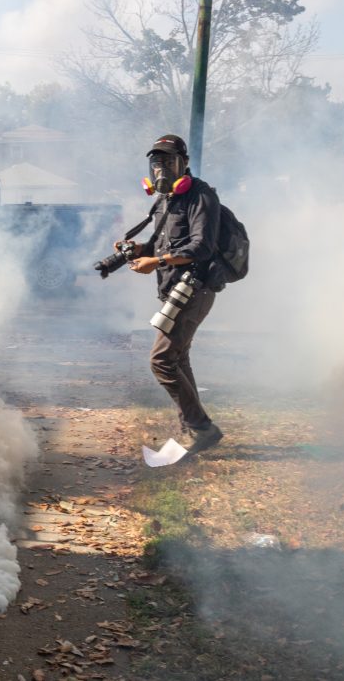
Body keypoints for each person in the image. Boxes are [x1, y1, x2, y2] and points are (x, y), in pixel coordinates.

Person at [123, 134, 224, 453]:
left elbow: (202, 247)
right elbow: (161, 243)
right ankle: (193, 427)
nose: (161, 169)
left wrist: (158, 261)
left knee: (162, 360)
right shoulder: (165, 200)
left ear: (185, 163)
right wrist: (140, 249)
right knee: (178, 358)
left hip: (193, 288)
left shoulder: (201, 196)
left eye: (168, 161)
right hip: (173, 290)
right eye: (156, 163)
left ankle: (202, 429)